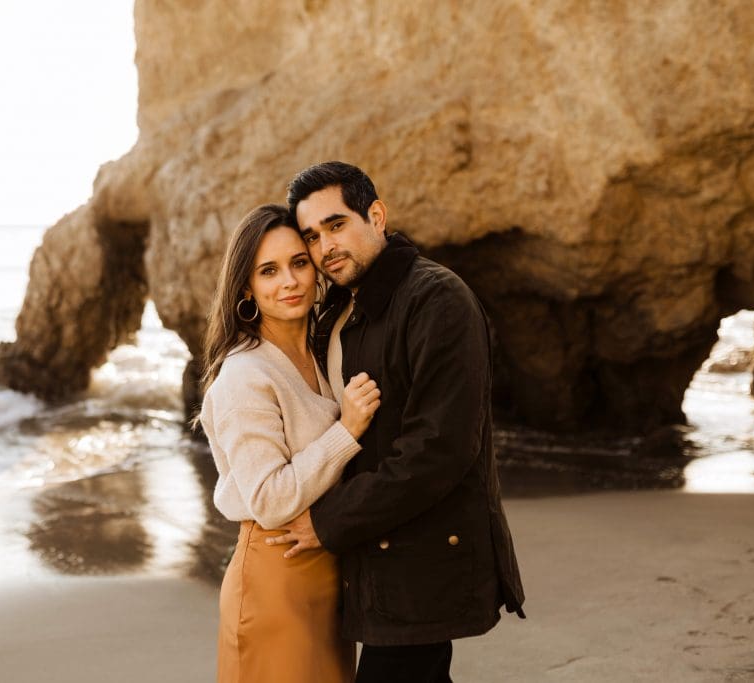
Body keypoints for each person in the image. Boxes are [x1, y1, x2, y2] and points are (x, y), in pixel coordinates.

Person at [267, 161, 526, 682]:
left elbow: (439, 450)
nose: (325, 247)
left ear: (376, 217)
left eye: (336, 225)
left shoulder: (437, 300)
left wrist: (329, 521)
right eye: (312, 236)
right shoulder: (340, 310)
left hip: (422, 562)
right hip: (371, 558)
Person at [198, 203, 382, 683]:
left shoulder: (324, 352)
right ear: (246, 287)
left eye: (299, 263)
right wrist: (347, 431)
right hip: (275, 579)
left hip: (328, 573)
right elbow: (269, 498)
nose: (289, 281)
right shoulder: (245, 375)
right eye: (269, 271)